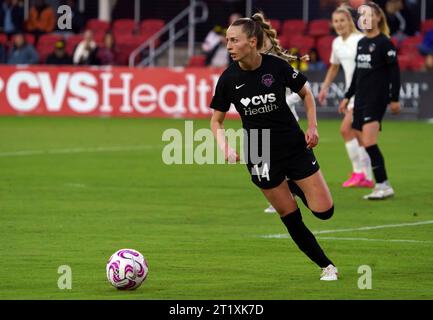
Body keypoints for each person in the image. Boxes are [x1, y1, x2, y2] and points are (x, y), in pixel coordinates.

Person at [210, 12, 338, 280]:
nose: (229, 46)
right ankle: (326, 266)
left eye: (234, 40)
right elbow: (216, 122)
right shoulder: (228, 79)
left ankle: (291, 182)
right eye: (227, 41)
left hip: (293, 146)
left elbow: (306, 94)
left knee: (324, 212)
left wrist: (313, 127)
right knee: (290, 215)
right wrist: (224, 147)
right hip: (259, 152)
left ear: (253, 42)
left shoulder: (276, 67)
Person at [339, 1, 401, 200]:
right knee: (362, 141)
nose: (364, 18)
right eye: (361, 15)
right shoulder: (362, 43)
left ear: (377, 18)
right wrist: (347, 96)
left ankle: (383, 185)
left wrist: (394, 98)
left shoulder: (385, 43)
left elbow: (395, 72)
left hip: (376, 100)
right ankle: (378, 183)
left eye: (368, 14)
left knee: (369, 141)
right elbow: (358, 73)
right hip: (360, 100)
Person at [318, 5, 374, 188]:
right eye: (336, 21)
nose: (339, 24)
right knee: (354, 133)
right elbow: (334, 67)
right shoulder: (336, 43)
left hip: (364, 92)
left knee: (347, 129)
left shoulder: (360, 40)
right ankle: (364, 175)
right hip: (352, 94)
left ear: (350, 21)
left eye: (342, 20)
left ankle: (363, 174)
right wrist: (325, 87)